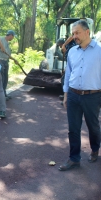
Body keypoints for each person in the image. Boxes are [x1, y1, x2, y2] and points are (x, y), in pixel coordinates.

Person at [59, 20, 101, 171]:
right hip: (73, 95)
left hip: (93, 96)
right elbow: (69, 73)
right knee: (73, 129)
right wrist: (65, 94)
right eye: (73, 33)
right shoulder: (72, 52)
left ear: (87, 32)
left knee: (93, 126)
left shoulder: (99, 50)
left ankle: (95, 149)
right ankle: (74, 158)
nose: (74, 36)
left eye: (77, 33)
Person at [0, 30, 15, 101]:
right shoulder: (1, 39)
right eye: (13, 36)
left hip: (6, 61)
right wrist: (1, 46)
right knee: (1, 78)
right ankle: (1, 96)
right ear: (11, 35)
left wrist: (14, 59)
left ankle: (4, 93)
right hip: (0, 60)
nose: (13, 38)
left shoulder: (7, 43)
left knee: (5, 78)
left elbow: (7, 54)